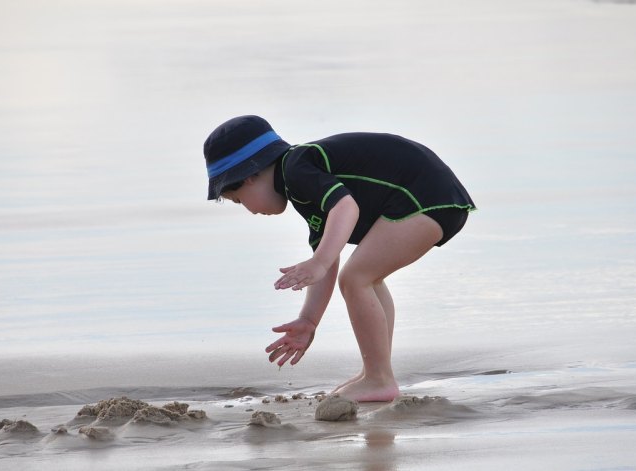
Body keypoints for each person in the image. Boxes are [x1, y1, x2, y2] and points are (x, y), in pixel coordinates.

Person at [204, 115, 476, 402]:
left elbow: (345, 208)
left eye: (238, 199)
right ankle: (377, 371)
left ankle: (379, 379)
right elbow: (328, 259)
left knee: (356, 278)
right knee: (367, 278)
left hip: (424, 196)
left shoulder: (297, 167)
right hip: (434, 197)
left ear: (250, 175)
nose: (247, 209)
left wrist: (318, 262)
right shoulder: (303, 189)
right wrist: (309, 320)